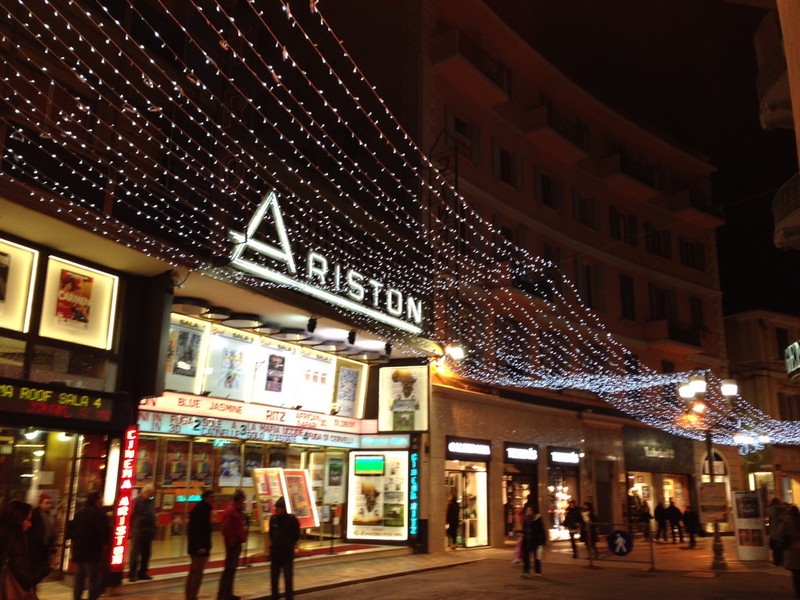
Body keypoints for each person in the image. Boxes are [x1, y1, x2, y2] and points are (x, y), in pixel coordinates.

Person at [67, 491, 110, 600]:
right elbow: (105, 533)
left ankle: (77, 598)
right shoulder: (99, 515)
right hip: (92, 553)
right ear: (96, 501)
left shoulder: (78, 513)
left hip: (79, 552)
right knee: (93, 580)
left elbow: (69, 532)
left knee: (79, 579)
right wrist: (104, 544)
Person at [0, 500, 37, 599]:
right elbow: (24, 578)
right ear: (18, 519)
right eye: (27, 520)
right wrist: (46, 568)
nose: (30, 524)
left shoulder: (4, 536)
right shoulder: (16, 541)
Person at [268, 496, 301, 600]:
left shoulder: (291, 519)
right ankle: (275, 597)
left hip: (287, 553)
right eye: (276, 508)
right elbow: (271, 534)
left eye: (279, 508)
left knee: (288, 579)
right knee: (274, 579)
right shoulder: (273, 519)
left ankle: (289, 597)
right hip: (276, 553)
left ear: (284, 509)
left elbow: (296, 534)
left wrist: (290, 543)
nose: (277, 510)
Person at [217, 490, 247, 600]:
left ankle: (228, 593)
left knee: (232, 569)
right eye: (242, 499)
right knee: (229, 569)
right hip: (232, 544)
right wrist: (232, 541)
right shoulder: (231, 511)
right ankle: (223, 594)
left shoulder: (238, 511)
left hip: (237, 542)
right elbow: (226, 528)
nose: (244, 502)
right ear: (238, 499)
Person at [186, 490, 214, 600]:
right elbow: (194, 530)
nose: (213, 500)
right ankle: (191, 596)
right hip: (199, 547)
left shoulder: (204, 509)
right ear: (206, 498)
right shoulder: (200, 510)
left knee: (197, 573)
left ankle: (193, 595)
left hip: (202, 546)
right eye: (212, 497)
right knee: (196, 573)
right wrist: (199, 546)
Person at [28, 492, 57, 587]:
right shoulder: (35, 514)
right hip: (35, 548)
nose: (49, 505)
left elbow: (51, 533)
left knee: (39, 572)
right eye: (46, 503)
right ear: (41, 503)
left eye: (50, 503)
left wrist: (52, 549)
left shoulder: (49, 516)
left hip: (44, 548)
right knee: (34, 572)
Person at [129, 485, 156, 582]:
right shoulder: (137, 501)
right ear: (145, 493)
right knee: (135, 553)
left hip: (148, 532)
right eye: (150, 493)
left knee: (146, 554)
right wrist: (130, 530)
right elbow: (131, 515)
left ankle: (143, 572)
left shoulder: (151, 501)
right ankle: (132, 573)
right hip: (138, 531)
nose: (152, 495)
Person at [520, 505, 546, 578]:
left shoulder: (538, 519)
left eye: (529, 510)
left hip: (535, 541)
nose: (528, 512)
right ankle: (526, 572)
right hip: (527, 541)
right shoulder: (526, 519)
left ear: (533, 511)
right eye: (527, 510)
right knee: (526, 558)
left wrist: (542, 542)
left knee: (536, 557)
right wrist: (521, 533)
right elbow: (524, 529)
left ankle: (538, 572)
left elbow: (542, 531)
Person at [780, 505, 800, 598]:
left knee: (796, 574)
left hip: (792, 550)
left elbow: (780, 533)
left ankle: (798, 592)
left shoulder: (787, 522)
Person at [769, 498, 789, 566]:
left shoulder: (772, 510)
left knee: (775, 548)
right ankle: (782, 561)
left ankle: (777, 561)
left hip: (775, 532)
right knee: (781, 547)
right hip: (783, 531)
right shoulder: (785, 510)